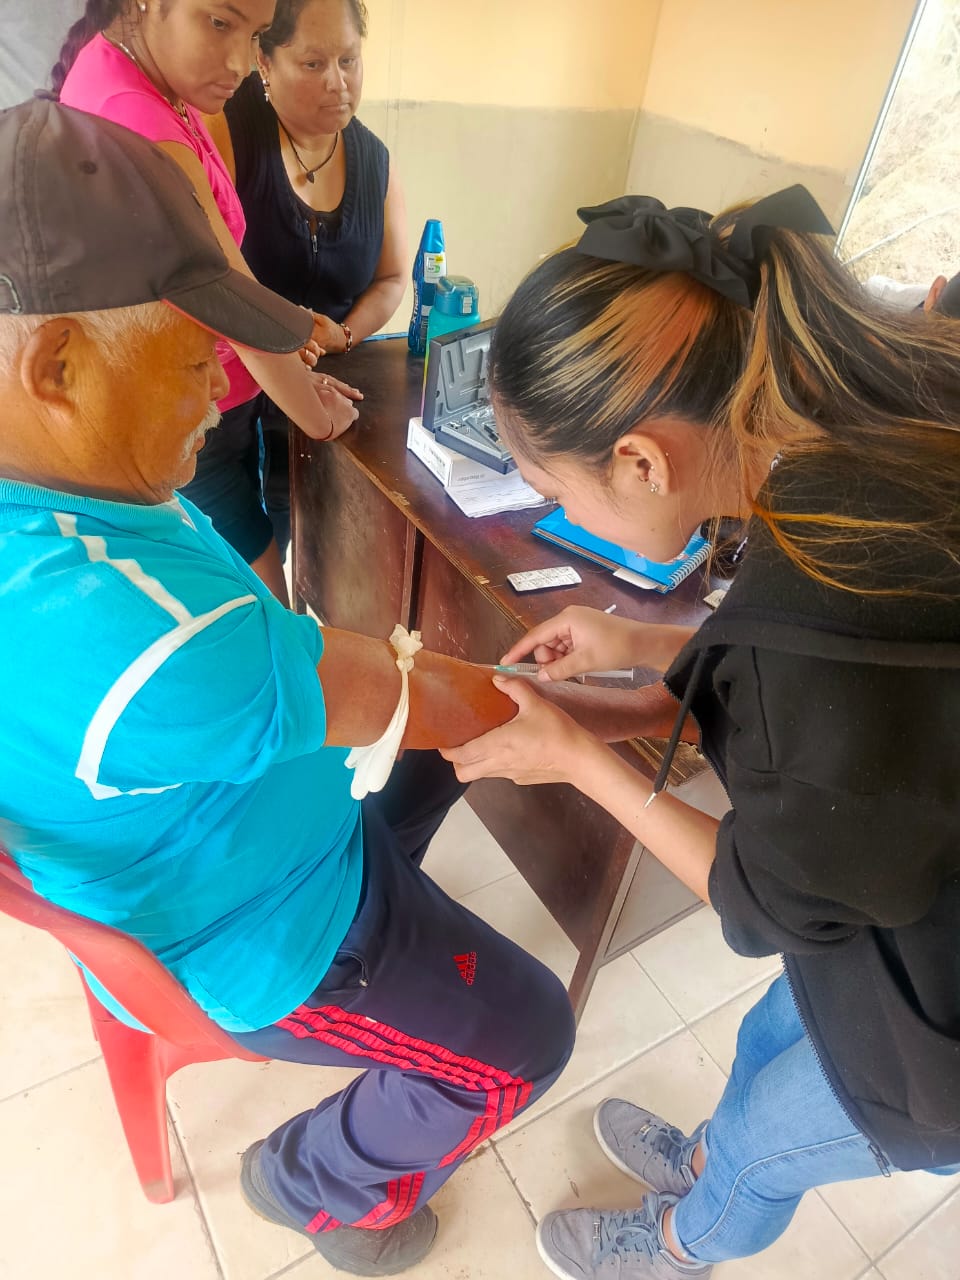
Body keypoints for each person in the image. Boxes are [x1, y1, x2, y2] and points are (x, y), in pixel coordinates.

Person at [0, 98, 575, 1277]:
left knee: (443, 750)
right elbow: (413, 692)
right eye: (193, 361)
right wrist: (599, 711)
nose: (222, 389)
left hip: (220, 826)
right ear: (55, 365)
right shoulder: (128, 636)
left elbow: (366, 682)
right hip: (262, 930)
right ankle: (317, 1182)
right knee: (531, 1034)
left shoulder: (66, 493)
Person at [441, 189, 960, 1278]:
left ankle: (681, 1243)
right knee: (771, 1039)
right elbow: (815, 707)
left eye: (556, 492)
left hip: (936, 1016)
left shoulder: (828, 614)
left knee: (772, 1146)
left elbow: (764, 899)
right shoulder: (852, 439)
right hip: (891, 900)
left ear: (641, 460)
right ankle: (708, 1159)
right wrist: (640, 650)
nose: (566, 516)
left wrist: (580, 760)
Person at [53, 0, 363, 604]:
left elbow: (221, 282)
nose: (241, 64)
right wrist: (317, 416)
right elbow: (227, 299)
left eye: (254, 35)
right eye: (220, 23)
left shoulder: (154, 83)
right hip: (189, 421)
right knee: (266, 616)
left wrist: (292, 347)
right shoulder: (136, 120)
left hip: (217, 404)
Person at [193, 0, 406, 578]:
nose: (338, 83)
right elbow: (212, 280)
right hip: (226, 398)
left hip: (323, 394)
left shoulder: (375, 160)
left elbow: (391, 279)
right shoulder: (225, 131)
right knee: (239, 566)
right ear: (264, 60)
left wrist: (344, 335)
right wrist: (289, 338)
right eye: (313, 64)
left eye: (349, 60)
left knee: (313, 551)